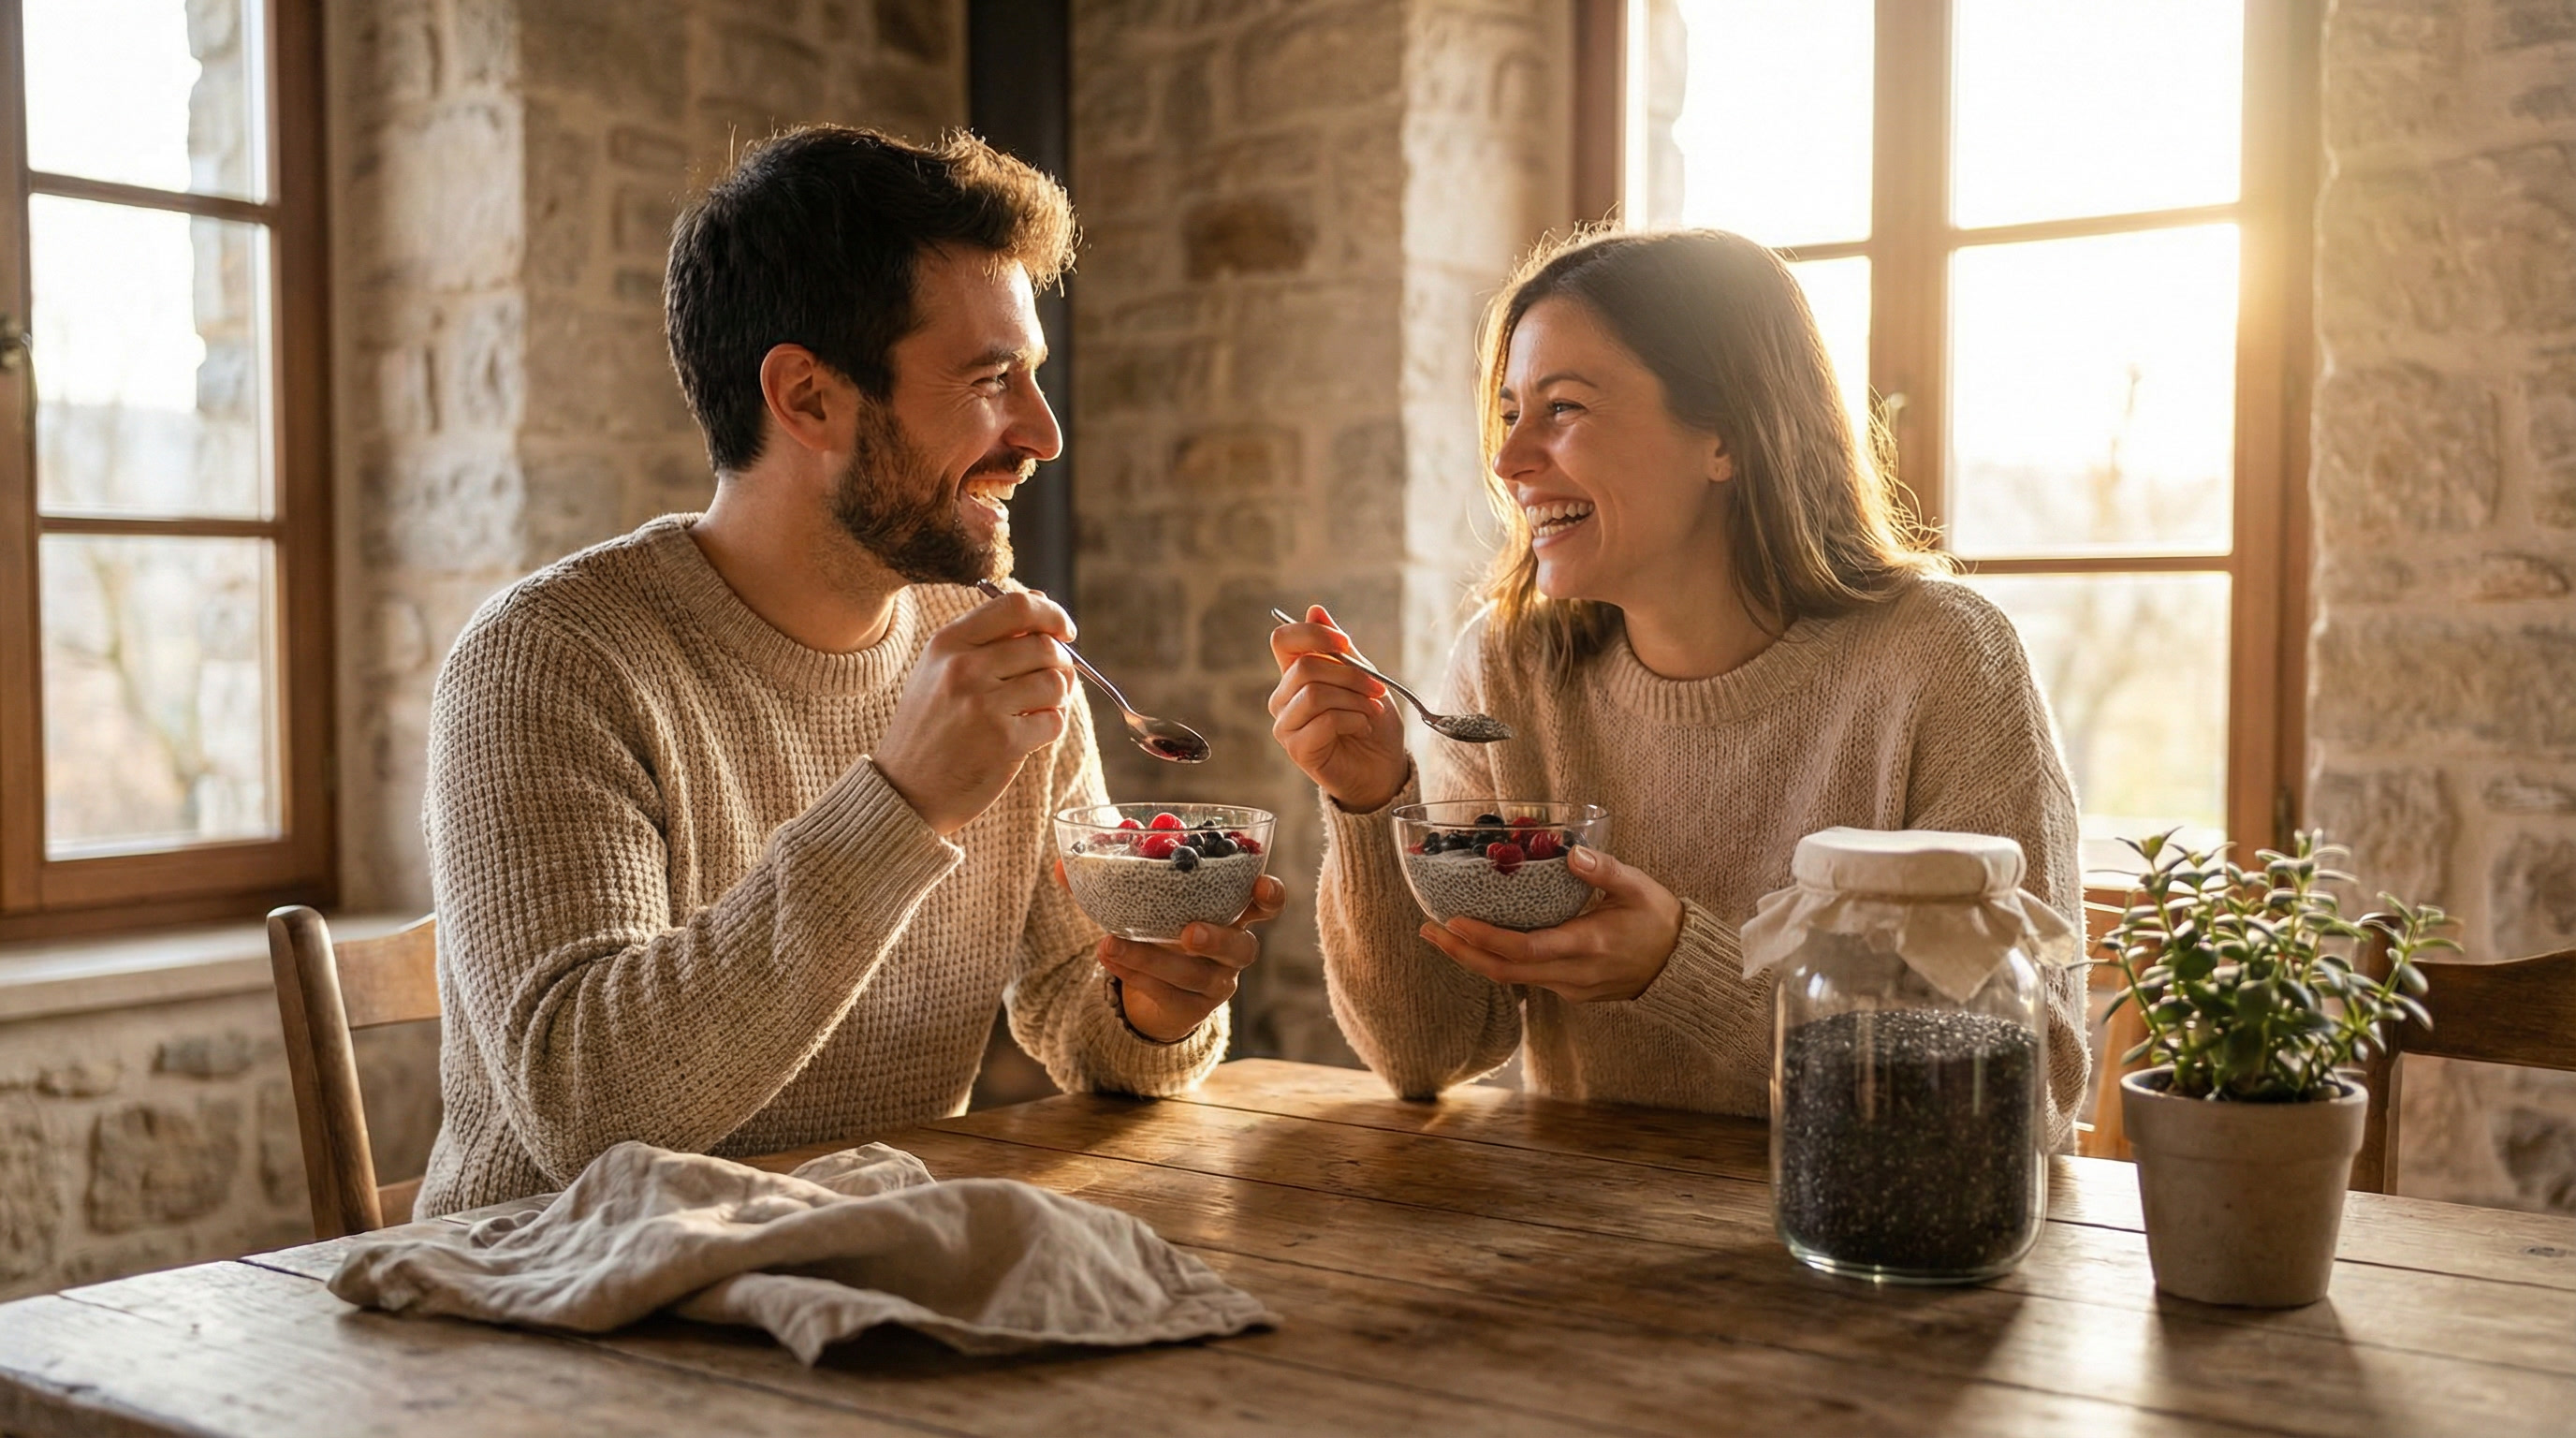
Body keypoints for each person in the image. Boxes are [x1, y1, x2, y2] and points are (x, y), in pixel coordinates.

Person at [415, 126, 1281, 1217]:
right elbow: (588, 1110)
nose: (1044, 435)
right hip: (555, 1286)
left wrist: (1152, 1002)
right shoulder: (549, 659)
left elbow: (1079, 1002)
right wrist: (904, 801)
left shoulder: (988, 644)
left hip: (864, 1260)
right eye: (992, 379)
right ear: (808, 398)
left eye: (1034, 378)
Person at [1267, 228, 2090, 1147]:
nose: (1509, 461)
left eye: (1562, 408)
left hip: (1873, 1223)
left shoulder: (1942, 658)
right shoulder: (1509, 666)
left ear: (1727, 437)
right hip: (1587, 1223)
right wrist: (1370, 798)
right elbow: (1428, 1053)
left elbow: (2030, 1087)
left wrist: (1685, 969)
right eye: (1508, 414)